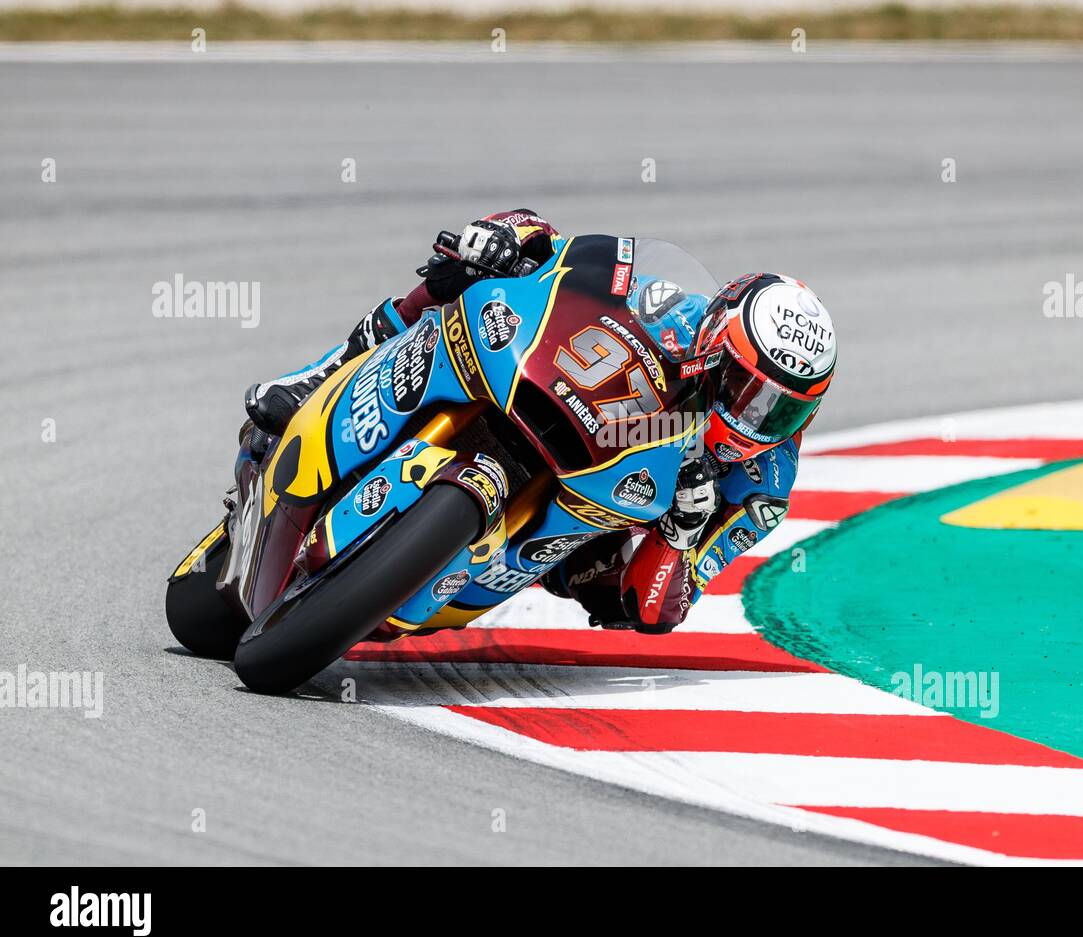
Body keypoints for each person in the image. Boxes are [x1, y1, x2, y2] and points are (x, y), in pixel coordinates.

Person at [243, 210, 837, 633]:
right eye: (745, 387)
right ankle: (320, 374)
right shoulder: (672, 307)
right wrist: (509, 235)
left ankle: (445, 568)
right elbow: (564, 255)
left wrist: (681, 534)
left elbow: (662, 608)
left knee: (606, 587)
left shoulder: (764, 489)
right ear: (717, 336)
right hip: (571, 402)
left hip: (604, 510)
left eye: (780, 408)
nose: (752, 416)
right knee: (461, 273)